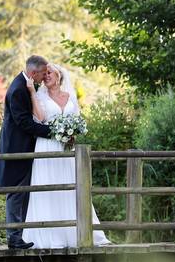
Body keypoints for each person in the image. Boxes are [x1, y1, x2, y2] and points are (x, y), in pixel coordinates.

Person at [22, 63, 110, 248]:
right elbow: (40, 118)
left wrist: (72, 134)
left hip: (66, 148)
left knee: (70, 188)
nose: (46, 76)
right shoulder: (39, 96)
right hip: (47, 145)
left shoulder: (70, 96)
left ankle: (77, 234)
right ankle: (51, 236)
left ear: (59, 75)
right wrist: (32, 92)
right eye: (44, 74)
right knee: (49, 187)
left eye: (50, 73)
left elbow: (76, 119)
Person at [0, 55, 53, 250]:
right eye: (43, 73)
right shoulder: (19, 89)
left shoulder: (23, 85)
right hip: (16, 148)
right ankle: (13, 238)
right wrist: (52, 132)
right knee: (16, 192)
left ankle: (18, 236)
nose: (44, 77)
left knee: (22, 192)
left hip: (21, 147)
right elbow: (24, 123)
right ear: (34, 73)